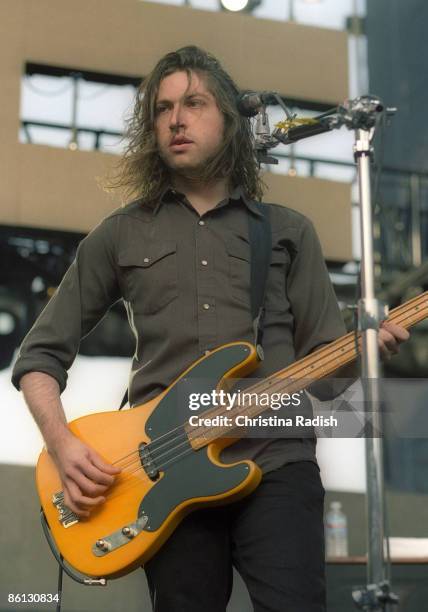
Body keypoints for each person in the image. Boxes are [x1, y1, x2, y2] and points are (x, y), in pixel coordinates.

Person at [12, 46, 409, 612]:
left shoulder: (288, 231)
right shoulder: (119, 234)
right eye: (163, 107)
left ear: (229, 118)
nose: (176, 118)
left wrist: (367, 351)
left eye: (194, 103)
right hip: (160, 471)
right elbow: (37, 359)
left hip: (276, 460)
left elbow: (324, 373)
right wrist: (62, 443)